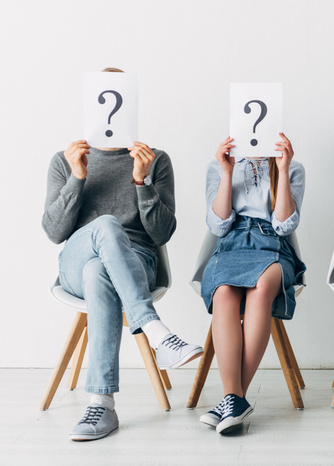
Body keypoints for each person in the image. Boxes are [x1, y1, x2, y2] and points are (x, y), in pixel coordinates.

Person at [42, 70, 203, 442]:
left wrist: (141, 181)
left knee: (103, 270)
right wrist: (77, 178)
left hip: (137, 263)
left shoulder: (155, 159)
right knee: (105, 228)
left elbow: (163, 234)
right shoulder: (65, 159)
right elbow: (54, 232)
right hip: (74, 265)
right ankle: (159, 333)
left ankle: (102, 405)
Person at [199, 133, 306, 435]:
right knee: (223, 294)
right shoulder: (217, 167)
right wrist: (227, 171)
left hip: (272, 244)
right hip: (231, 244)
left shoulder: (293, 168)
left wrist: (282, 170)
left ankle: (231, 400)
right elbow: (218, 224)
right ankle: (235, 399)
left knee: (262, 293)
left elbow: (285, 225)